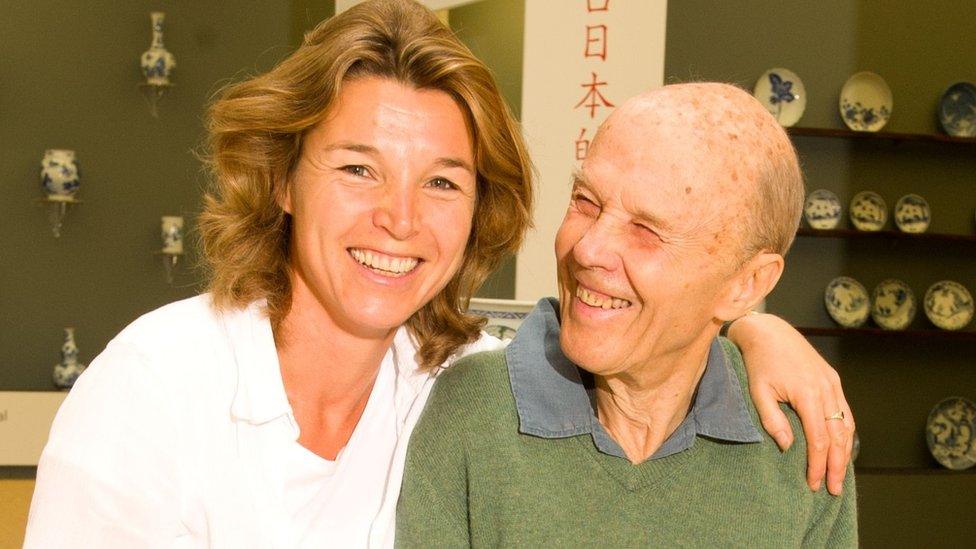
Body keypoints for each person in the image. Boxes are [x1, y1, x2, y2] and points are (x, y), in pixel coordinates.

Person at [25, 1, 851, 547]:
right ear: (283, 178)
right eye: (358, 169)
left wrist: (755, 327)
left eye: (443, 182)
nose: (401, 217)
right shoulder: (155, 386)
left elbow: (626, 329)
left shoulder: (450, 379)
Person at [397, 83, 857, 547]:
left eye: (646, 229)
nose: (588, 248)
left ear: (746, 284)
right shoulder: (473, 409)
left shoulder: (806, 442)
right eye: (586, 202)